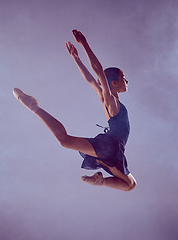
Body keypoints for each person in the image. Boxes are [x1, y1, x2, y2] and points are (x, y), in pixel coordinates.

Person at [13, 30, 136, 191]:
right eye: (123, 77)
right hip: (111, 146)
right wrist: (85, 44)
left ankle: (33, 106)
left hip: (110, 148)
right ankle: (101, 182)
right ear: (112, 83)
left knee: (65, 141)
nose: (126, 80)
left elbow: (92, 80)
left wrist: (76, 59)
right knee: (130, 185)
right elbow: (98, 71)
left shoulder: (107, 99)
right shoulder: (111, 101)